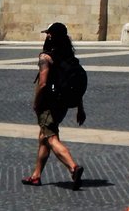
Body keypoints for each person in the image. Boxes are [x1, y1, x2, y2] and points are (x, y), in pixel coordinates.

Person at [23, 22, 85, 188]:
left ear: (51, 36)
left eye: (48, 34)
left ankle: (73, 167)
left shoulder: (46, 57)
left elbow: (42, 84)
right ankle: (36, 175)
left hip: (48, 103)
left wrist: (36, 103)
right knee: (43, 137)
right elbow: (74, 84)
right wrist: (80, 108)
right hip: (63, 103)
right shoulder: (69, 57)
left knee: (51, 138)